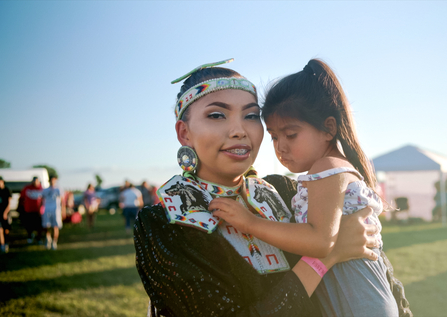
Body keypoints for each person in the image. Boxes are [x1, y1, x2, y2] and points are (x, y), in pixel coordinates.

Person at [134, 59, 411, 317]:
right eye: (217, 115)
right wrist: (326, 257)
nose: (239, 130)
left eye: (251, 116)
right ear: (184, 133)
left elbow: (381, 278)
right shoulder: (162, 223)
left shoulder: (286, 190)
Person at [211, 59, 399, 316]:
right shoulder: (324, 170)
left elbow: (320, 240)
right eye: (274, 136)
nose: (280, 147)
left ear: (328, 129)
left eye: (291, 134)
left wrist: (249, 223)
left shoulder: (328, 167)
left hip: (360, 300)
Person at [41, 176, 65, 250]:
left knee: (55, 226)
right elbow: (42, 200)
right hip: (47, 210)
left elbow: (62, 201)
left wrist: (63, 210)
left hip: (56, 210)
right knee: (46, 226)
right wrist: (40, 209)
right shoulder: (45, 190)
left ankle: (54, 242)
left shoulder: (58, 189)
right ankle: (48, 239)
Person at [20, 176, 44, 244]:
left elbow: (44, 200)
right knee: (29, 225)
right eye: (34, 181)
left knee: (39, 225)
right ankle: (30, 236)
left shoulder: (41, 189)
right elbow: (21, 198)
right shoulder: (27, 188)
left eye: (37, 181)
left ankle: (39, 238)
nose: (35, 182)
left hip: (38, 210)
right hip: (28, 210)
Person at [0, 176, 12, 253]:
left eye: (0, 181)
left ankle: (6, 243)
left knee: (6, 230)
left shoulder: (7, 190)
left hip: (5, 213)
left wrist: (5, 213)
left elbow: (9, 204)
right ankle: (2, 245)